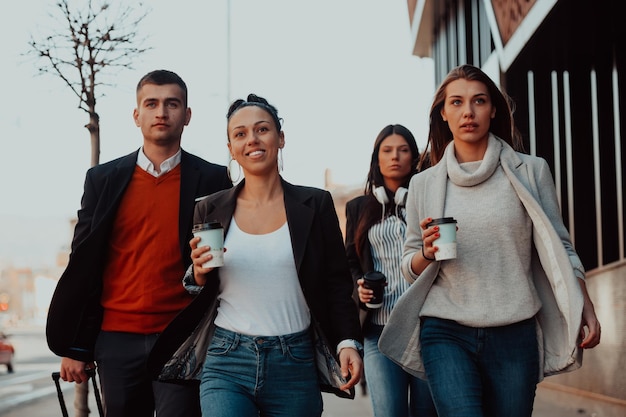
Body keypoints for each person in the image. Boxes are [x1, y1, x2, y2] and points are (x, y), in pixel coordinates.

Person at [378, 64, 601, 417]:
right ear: (444, 113)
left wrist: (584, 302)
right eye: (457, 102)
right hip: (445, 330)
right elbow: (409, 266)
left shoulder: (531, 170)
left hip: (515, 332)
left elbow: (562, 246)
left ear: (493, 109)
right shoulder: (424, 184)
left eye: (479, 101)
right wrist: (426, 253)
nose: (468, 111)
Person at [146, 93, 364, 417]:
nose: (252, 140)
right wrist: (199, 273)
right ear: (231, 148)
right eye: (240, 134)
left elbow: (337, 283)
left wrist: (348, 342)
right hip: (227, 358)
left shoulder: (315, 205)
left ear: (281, 137)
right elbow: (192, 282)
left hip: (295, 360)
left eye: (262, 129)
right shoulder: (209, 208)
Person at [45, 69, 232, 417]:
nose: (161, 112)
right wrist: (76, 346)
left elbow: (220, 263)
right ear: (137, 115)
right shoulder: (102, 180)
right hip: (116, 339)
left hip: (182, 336)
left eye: (172, 104)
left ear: (187, 115)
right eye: (152, 103)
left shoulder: (213, 177)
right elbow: (84, 266)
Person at [345, 124, 437, 417]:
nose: (395, 156)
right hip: (378, 333)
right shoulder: (359, 207)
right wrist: (358, 284)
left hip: (426, 329)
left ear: (414, 157)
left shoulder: (427, 201)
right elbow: (350, 261)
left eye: (403, 149)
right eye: (387, 150)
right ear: (377, 159)